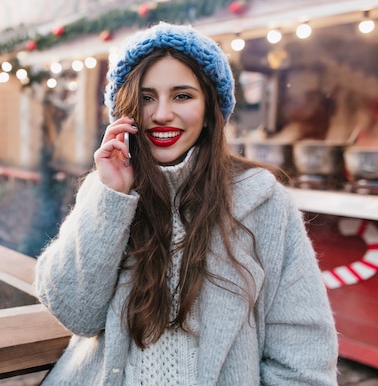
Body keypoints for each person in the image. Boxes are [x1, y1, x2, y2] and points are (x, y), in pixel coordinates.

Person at [33, 22, 338, 385]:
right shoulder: (107, 190)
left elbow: (304, 354)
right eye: (146, 98)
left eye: (182, 96)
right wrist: (112, 197)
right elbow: (75, 312)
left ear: (211, 110)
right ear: (125, 109)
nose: (162, 113)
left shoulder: (263, 201)